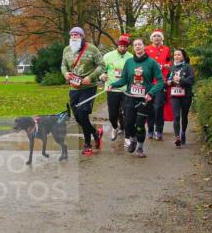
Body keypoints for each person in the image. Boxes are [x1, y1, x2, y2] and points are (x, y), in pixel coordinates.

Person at [110, 37, 164, 158]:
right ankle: (133, 139)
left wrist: (151, 93)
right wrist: (112, 85)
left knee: (139, 124)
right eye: (135, 45)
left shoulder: (151, 62)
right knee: (128, 124)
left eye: (140, 44)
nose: (138, 47)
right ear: (133, 48)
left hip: (144, 99)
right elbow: (124, 79)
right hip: (130, 97)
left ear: (144, 46)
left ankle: (140, 147)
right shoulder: (129, 62)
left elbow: (160, 81)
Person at [60, 27, 103, 156]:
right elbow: (63, 65)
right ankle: (95, 133)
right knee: (78, 118)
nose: (74, 37)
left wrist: (91, 77)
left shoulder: (92, 49)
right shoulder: (66, 50)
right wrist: (65, 73)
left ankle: (87, 145)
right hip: (74, 87)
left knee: (83, 115)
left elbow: (102, 65)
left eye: (77, 35)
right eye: (72, 35)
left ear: (82, 37)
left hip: (88, 88)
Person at [99, 34, 132, 142]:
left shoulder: (131, 57)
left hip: (126, 90)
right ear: (117, 45)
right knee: (113, 114)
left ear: (128, 47)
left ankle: (127, 134)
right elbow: (101, 70)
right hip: (112, 89)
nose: (123, 48)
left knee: (127, 112)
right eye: (121, 45)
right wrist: (102, 76)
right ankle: (115, 127)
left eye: (125, 46)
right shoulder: (108, 56)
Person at [145, 29, 172, 141]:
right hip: (149, 82)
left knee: (159, 107)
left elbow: (170, 62)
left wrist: (166, 65)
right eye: (155, 36)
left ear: (162, 38)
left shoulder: (166, 49)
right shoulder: (147, 49)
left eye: (158, 36)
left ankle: (159, 130)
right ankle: (150, 130)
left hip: (161, 82)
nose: (157, 38)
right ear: (152, 38)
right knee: (150, 107)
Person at [168, 48, 195, 146]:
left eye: (179, 54)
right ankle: (177, 138)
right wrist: (169, 82)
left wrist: (181, 79)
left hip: (186, 95)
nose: (176, 56)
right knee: (176, 116)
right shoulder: (171, 68)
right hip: (174, 95)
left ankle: (183, 132)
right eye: (175, 55)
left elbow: (191, 81)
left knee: (184, 116)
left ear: (183, 56)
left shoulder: (188, 67)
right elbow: (168, 79)